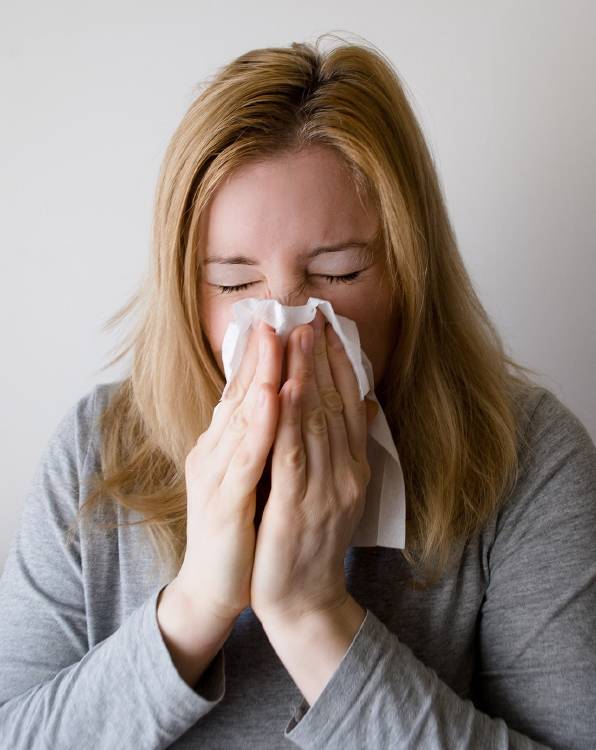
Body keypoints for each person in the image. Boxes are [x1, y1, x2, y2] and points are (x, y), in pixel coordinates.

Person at [0, 35, 594, 750]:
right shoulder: (97, 451)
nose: (284, 324)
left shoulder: (524, 457)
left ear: (409, 272)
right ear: (186, 289)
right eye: (233, 283)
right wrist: (194, 606)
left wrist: (314, 617)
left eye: (339, 274)